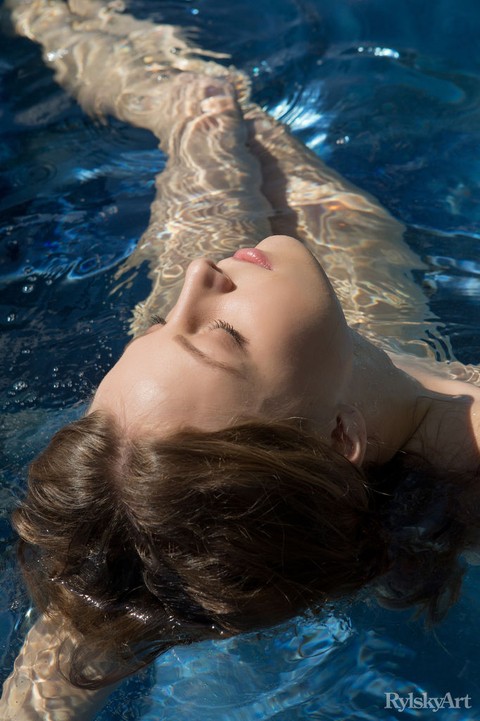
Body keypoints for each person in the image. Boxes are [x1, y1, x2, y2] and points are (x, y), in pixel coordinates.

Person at [1, 1, 480, 719]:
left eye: (160, 324)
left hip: (329, 353)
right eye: (220, 335)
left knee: (203, 109)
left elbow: (64, 658)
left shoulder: (171, 507)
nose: (198, 275)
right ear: (335, 440)